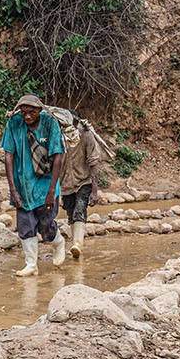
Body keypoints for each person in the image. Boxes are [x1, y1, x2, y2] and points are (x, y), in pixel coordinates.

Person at [0, 93, 65, 277]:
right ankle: (31, 264)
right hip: (23, 185)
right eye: (24, 112)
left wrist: (52, 190)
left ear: (39, 111)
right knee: (25, 225)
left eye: (31, 112)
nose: (27, 116)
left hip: (45, 185)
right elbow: (8, 156)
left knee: (46, 226)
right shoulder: (13, 124)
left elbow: (58, 156)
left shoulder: (49, 124)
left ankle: (58, 242)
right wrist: (13, 190)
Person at [52, 106, 107, 259]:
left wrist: (94, 191)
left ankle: (77, 244)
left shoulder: (85, 135)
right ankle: (76, 244)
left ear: (75, 123)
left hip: (84, 180)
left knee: (80, 209)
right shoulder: (59, 136)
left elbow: (93, 162)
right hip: (66, 183)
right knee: (70, 213)